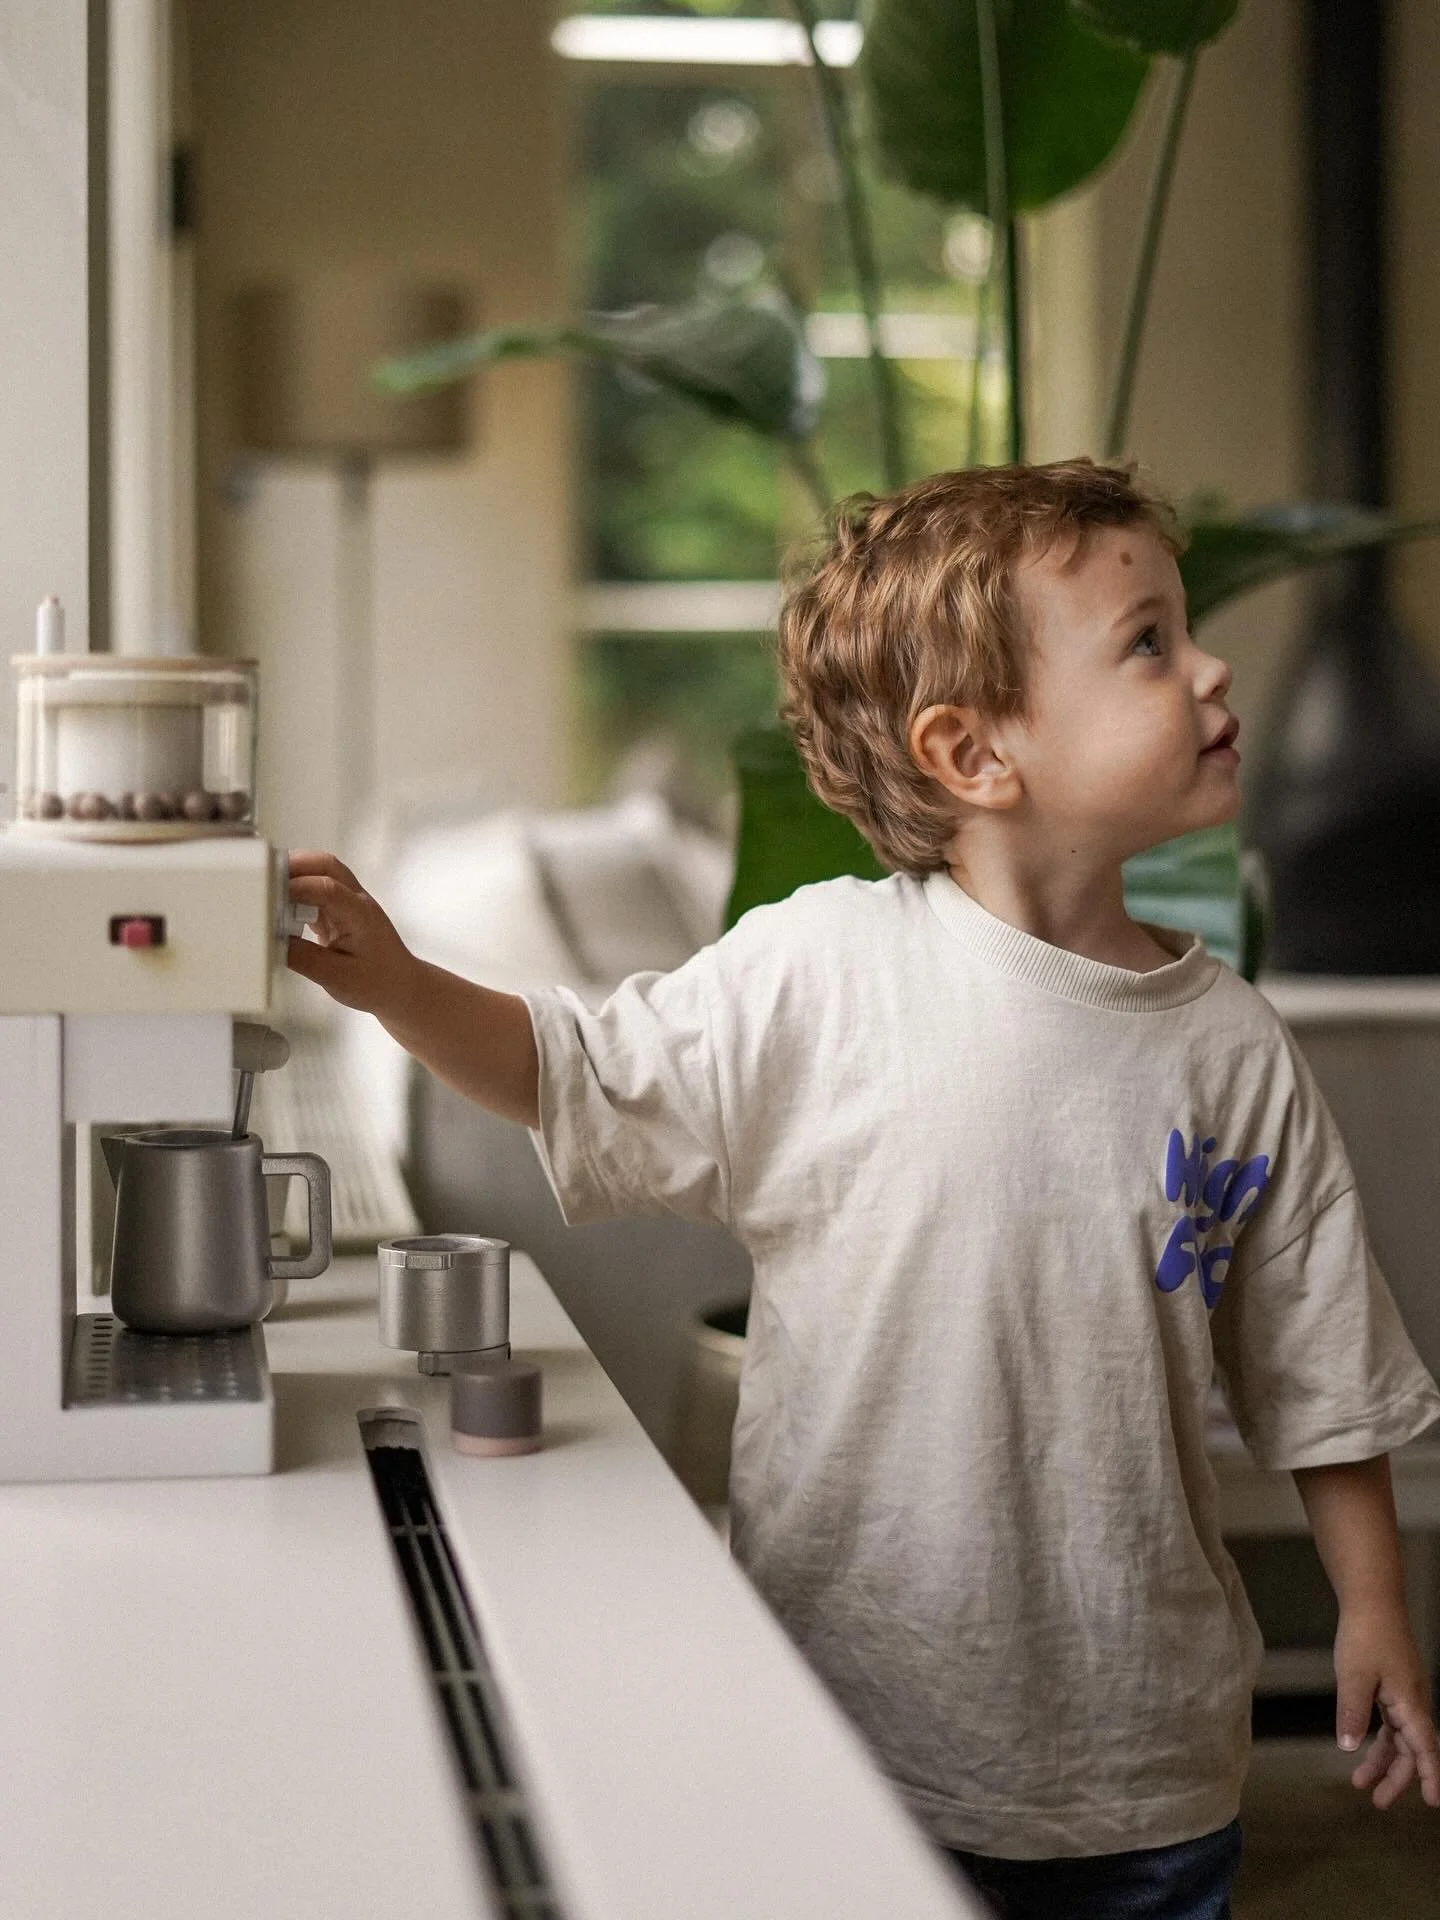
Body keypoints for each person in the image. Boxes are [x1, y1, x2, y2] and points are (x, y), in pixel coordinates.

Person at [287, 460, 1440, 1920]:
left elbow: (1325, 1371)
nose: (1211, 668)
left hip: (1144, 1777)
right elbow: (575, 1072)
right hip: (849, 1738)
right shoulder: (819, 973)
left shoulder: (1234, 1049)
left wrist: (1375, 1608)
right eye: (1149, 641)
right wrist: (398, 985)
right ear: (973, 751)